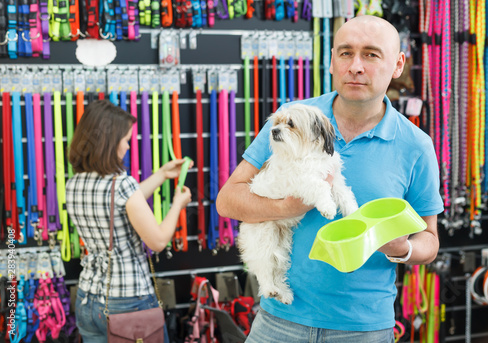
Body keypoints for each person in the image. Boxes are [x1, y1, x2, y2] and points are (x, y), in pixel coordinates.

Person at [217, 15, 443, 343]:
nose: (355, 66)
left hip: (363, 329)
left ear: (397, 65)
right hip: (278, 321)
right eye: (345, 53)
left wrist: (402, 248)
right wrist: (288, 206)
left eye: (371, 54)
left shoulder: (416, 145)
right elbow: (227, 201)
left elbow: (430, 240)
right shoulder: (291, 119)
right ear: (332, 61)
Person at [66, 100, 192, 342]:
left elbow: (123, 204)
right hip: (128, 300)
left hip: (88, 299)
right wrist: (177, 204)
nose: (127, 147)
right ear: (109, 143)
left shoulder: (74, 183)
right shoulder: (121, 183)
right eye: (125, 140)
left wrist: (162, 175)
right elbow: (157, 241)